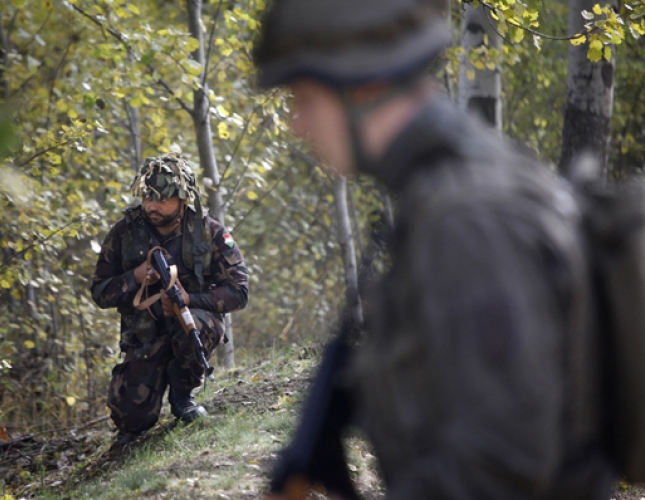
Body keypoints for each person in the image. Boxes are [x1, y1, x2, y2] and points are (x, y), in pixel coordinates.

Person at [254, 0, 615, 498]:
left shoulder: (468, 219)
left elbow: (501, 465)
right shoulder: (441, 192)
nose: (298, 124)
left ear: (364, 87)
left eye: (306, 98)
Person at [91, 153, 249, 444]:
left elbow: (239, 291)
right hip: (144, 338)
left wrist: (190, 300)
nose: (152, 205)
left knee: (196, 325)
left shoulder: (208, 232)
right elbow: (99, 292)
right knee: (130, 420)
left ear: (183, 198)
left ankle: (182, 395)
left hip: (190, 327)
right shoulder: (125, 232)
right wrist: (134, 277)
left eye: (162, 199)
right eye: (148, 197)